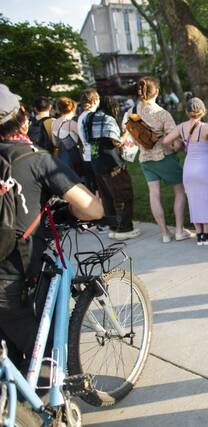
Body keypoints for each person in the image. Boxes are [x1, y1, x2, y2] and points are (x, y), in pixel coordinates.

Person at [0, 84, 103, 368]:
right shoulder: (36, 160)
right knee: (46, 363)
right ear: (23, 116)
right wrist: (70, 210)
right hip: (12, 281)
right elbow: (93, 209)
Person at [122, 76, 191, 244]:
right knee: (180, 191)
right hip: (164, 157)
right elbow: (175, 143)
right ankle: (180, 230)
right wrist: (180, 146)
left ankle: (165, 234)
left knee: (154, 194)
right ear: (157, 92)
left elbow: (127, 136)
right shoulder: (162, 114)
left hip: (145, 159)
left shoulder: (130, 113)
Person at [162, 97, 208, 246]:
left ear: (187, 112)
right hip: (204, 168)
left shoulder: (181, 127)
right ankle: (207, 233)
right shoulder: (206, 127)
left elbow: (166, 141)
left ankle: (199, 235)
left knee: (193, 201)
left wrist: (175, 145)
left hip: (189, 168)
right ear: (203, 111)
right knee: (206, 200)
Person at [85, 95, 141, 240]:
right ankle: (124, 229)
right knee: (123, 194)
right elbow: (116, 142)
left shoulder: (89, 118)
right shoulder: (107, 119)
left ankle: (114, 227)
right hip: (112, 162)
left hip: (96, 162)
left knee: (107, 196)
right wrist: (128, 131)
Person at [51, 97, 83, 176]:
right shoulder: (73, 122)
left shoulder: (54, 123)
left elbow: (55, 143)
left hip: (61, 158)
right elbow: (84, 140)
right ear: (72, 107)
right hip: (76, 157)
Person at [76, 89, 99, 193]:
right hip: (94, 155)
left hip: (87, 154)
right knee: (99, 187)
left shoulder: (81, 117)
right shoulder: (92, 116)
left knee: (94, 186)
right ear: (94, 101)